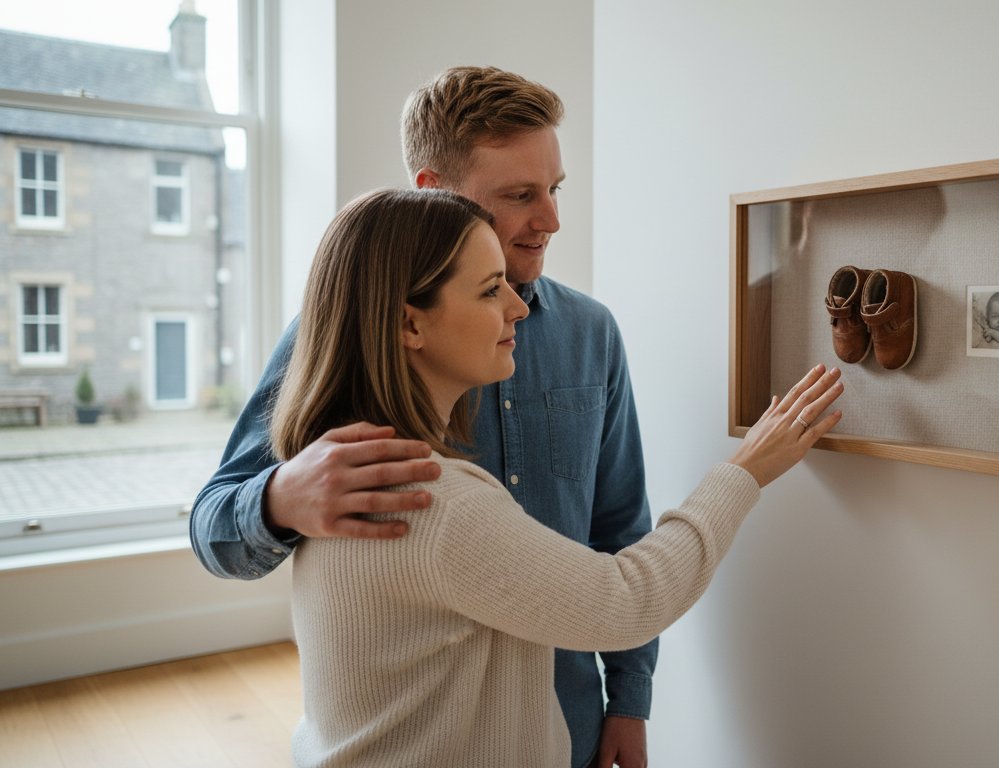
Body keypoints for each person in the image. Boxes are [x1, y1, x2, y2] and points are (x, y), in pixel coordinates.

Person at [276, 187, 843, 766]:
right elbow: (628, 599)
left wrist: (627, 697)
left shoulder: (333, 470)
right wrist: (745, 469)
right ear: (409, 325)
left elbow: (616, 517)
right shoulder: (430, 500)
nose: (518, 308)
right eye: (489, 290)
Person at [190, 67, 654, 767]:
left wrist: (629, 700)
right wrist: (281, 498)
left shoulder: (593, 333)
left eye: (555, 190)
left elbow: (620, 525)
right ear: (434, 192)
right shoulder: (342, 334)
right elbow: (213, 528)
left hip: (570, 718)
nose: (551, 220)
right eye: (520, 195)